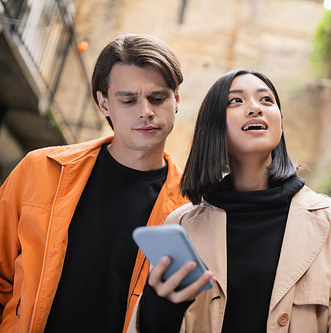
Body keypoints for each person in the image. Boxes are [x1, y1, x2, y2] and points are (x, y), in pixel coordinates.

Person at [129, 69, 331, 333]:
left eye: (267, 100)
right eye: (236, 101)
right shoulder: (181, 226)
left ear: (280, 121)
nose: (255, 108)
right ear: (213, 126)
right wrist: (159, 313)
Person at [0, 34, 189, 333]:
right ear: (103, 103)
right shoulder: (40, 170)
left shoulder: (190, 209)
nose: (145, 112)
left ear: (176, 98)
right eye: (128, 100)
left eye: (158, 98)